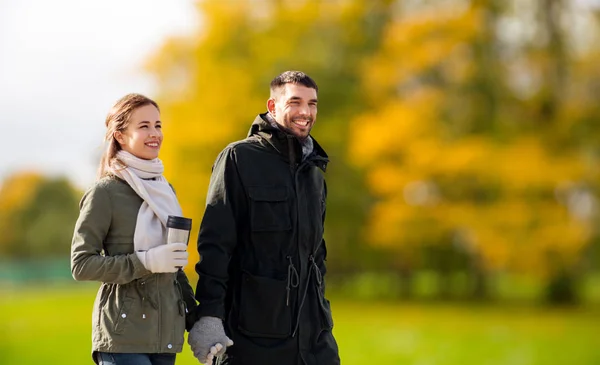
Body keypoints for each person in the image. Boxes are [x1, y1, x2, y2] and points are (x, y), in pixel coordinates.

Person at [188, 71, 340, 365]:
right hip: (252, 335)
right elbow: (215, 245)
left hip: (315, 338)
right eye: (295, 102)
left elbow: (316, 253)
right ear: (272, 106)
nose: (305, 112)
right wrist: (209, 315)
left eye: (312, 104)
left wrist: (321, 312)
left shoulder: (315, 173)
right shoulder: (238, 159)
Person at [71, 93, 198, 365]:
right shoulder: (105, 192)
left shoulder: (166, 190)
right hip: (123, 335)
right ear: (119, 136)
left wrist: (196, 321)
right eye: (144, 126)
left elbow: (173, 266)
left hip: (166, 335)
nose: (155, 133)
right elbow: (81, 265)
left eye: (158, 125)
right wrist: (146, 261)